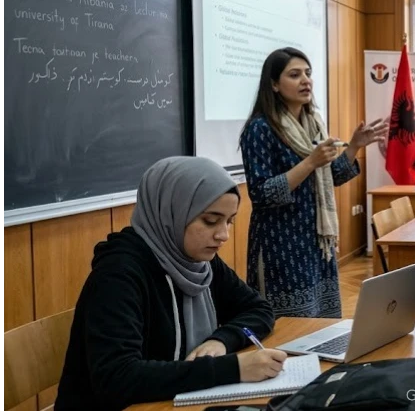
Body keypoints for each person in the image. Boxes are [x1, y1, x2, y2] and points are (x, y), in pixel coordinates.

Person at [55, 157, 284, 410]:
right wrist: (234, 368)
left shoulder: (198, 261)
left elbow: (259, 309)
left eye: (229, 221)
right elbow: (117, 377)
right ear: (171, 211)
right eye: (210, 221)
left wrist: (221, 341)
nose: (223, 235)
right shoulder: (118, 275)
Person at [239, 47, 387, 318]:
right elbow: (261, 194)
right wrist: (310, 162)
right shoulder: (260, 129)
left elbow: (330, 178)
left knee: (321, 327)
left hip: (317, 243)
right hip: (281, 246)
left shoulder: (313, 124)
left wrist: (354, 146)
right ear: (273, 84)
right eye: (294, 75)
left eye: (308, 73)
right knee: (291, 329)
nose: (306, 80)